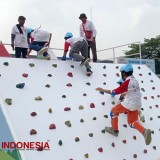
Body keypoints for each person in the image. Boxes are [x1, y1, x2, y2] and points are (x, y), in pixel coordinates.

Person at [96, 64, 152, 145]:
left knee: (113, 111)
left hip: (130, 103)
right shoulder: (135, 81)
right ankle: (144, 131)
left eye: (121, 73)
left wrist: (102, 89)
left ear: (124, 73)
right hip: (138, 104)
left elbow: (114, 92)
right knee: (132, 122)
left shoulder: (127, 82)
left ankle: (114, 130)